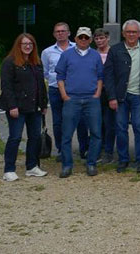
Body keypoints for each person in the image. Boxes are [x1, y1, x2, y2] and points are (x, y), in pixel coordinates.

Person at [104, 19, 140, 173]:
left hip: (138, 95)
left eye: (134, 32)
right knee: (120, 127)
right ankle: (123, 159)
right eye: (128, 32)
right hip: (120, 96)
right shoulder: (115, 50)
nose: (131, 34)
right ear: (123, 33)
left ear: (139, 33)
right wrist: (111, 97)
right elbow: (108, 75)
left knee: (139, 126)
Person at [55, 27, 104, 178]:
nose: (83, 40)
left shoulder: (95, 55)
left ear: (90, 40)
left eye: (86, 38)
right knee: (67, 134)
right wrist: (64, 95)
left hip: (91, 99)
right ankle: (67, 165)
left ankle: (91, 163)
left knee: (96, 133)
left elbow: (100, 76)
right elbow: (60, 77)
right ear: (75, 39)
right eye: (80, 37)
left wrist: (97, 94)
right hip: (72, 99)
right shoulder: (66, 55)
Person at [0, 34, 48, 181]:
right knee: (15, 137)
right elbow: (6, 86)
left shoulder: (36, 63)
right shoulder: (10, 62)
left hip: (34, 107)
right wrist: (12, 106)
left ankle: (32, 166)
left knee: (35, 137)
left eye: (30, 44)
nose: (27, 46)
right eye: (24, 44)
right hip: (17, 107)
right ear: (18, 45)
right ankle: (9, 169)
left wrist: (43, 104)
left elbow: (41, 85)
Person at [41, 22, 87, 163]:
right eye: (57, 31)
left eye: (63, 31)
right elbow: (45, 72)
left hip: (75, 90)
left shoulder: (78, 47)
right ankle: (62, 149)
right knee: (58, 121)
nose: (60, 33)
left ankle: (84, 148)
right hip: (56, 90)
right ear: (54, 34)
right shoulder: (47, 52)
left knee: (81, 120)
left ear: (69, 33)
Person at [93, 28, 116, 164]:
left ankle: (108, 151)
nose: (100, 41)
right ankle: (97, 149)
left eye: (102, 38)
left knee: (109, 123)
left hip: (109, 92)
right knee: (97, 123)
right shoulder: (92, 54)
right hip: (95, 92)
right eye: (97, 38)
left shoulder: (114, 53)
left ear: (107, 38)